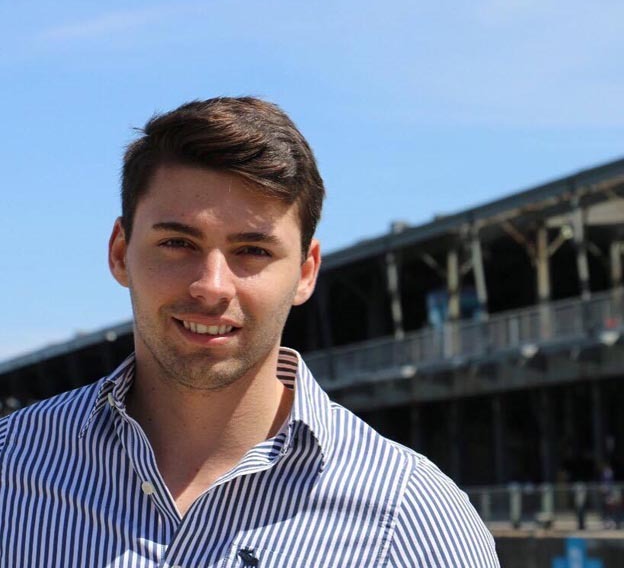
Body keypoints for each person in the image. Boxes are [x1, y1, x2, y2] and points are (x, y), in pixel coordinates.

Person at [0, 97, 500, 567]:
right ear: (119, 252)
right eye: (177, 242)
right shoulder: (11, 468)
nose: (212, 287)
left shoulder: (410, 521)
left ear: (306, 272)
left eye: (253, 251)